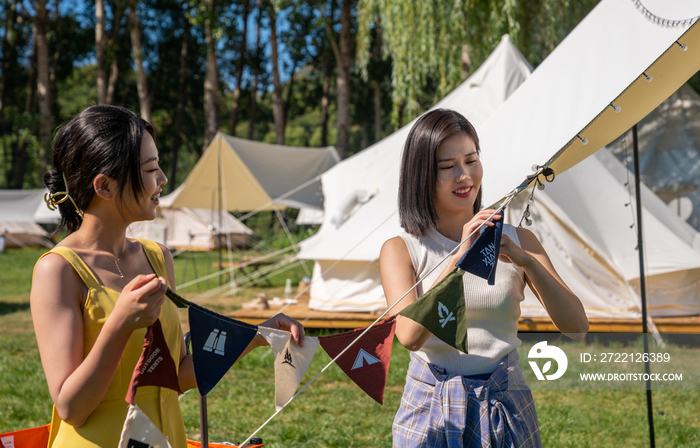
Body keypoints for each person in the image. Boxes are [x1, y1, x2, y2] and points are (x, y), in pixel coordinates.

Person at [30, 105, 305, 448]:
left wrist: (256, 336)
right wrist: (119, 324)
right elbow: (71, 407)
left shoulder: (157, 257)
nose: (162, 179)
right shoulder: (57, 269)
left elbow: (174, 375)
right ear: (104, 186)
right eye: (150, 169)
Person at [379, 109, 589, 447]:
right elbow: (409, 336)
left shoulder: (518, 240)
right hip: (432, 405)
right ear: (421, 175)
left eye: (471, 160)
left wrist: (528, 263)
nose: (464, 176)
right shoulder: (402, 249)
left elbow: (577, 326)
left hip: (505, 400)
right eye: (447, 167)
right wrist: (460, 258)